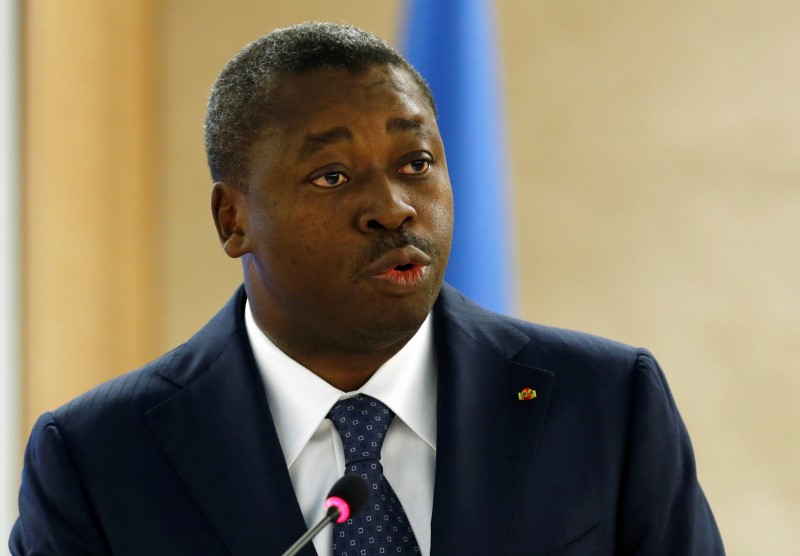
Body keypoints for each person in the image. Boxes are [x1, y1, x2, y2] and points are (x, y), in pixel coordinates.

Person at [10, 22, 724, 556]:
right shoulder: (98, 458)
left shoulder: (604, 404)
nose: (394, 206)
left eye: (416, 162)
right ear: (234, 220)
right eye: (332, 176)